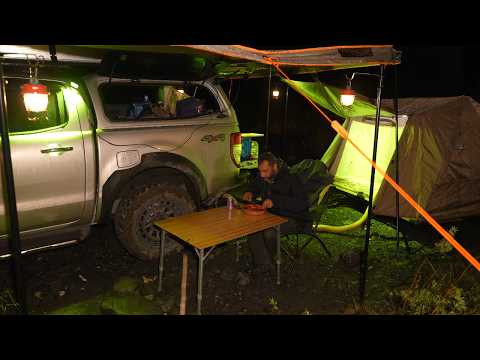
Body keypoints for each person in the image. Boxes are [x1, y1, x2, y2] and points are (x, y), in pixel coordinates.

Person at [242, 152, 311, 276]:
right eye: (260, 171)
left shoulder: (292, 179)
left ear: (274, 167)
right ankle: (264, 264)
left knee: (269, 233)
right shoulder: (263, 177)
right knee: (252, 228)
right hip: (272, 215)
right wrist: (249, 192)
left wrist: (275, 201)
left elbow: (302, 204)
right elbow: (254, 185)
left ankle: (266, 263)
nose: (262, 175)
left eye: (265, 171)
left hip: (294, 218)